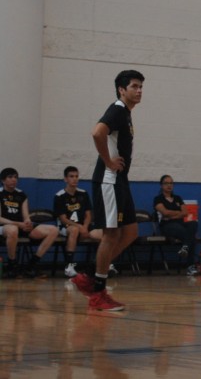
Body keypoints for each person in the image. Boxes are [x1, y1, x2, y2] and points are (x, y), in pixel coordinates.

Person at [71, 69, 144, 311]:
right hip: (109, 179)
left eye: (141, 86)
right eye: (134, 86)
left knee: (131, 231)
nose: (139, 90)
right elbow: (97, 132)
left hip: (121, 180)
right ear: (122, 90)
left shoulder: (126, 114)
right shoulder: (117, 109)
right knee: (111, 234)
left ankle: (91, 275)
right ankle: (98, 293)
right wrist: (108, 161)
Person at [1, 167, 59, 279]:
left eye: (15, 177)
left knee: (53, 230)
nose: (14, 180)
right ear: (3, 180)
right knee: (12, 229)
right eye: (10, 177)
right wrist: (18, 224)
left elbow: (26, 215)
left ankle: (32, 264)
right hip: (5, 227)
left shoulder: (21, 195)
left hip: (21, 226)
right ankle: (12, 265)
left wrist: (28, 222)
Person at [53, 165, 103, 278]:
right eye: (71, 176)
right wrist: (80, 227)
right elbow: (63, 218)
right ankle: (69, 266)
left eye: (76, 176)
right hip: (66, 226)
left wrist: (85, 226)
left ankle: (103, 265)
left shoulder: (83, 193)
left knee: (102, 234)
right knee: (74, 230)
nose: (75, 179)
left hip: (83, 226)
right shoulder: (59, 196)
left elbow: (88, 214)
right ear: (65, 179)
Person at [153, 175, 200, 276]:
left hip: (180, 223)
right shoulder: (158, 199)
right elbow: (165, 213)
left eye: (171, 183)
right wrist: (177, 214)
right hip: (167, 226)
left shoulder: (178, 198)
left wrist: (172, 215)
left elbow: (185, 212)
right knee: (191, 237)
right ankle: (190, 266)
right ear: (161, 185)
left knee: (193, 224)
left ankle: (185, 247)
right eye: (166, 183)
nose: (169, 185)